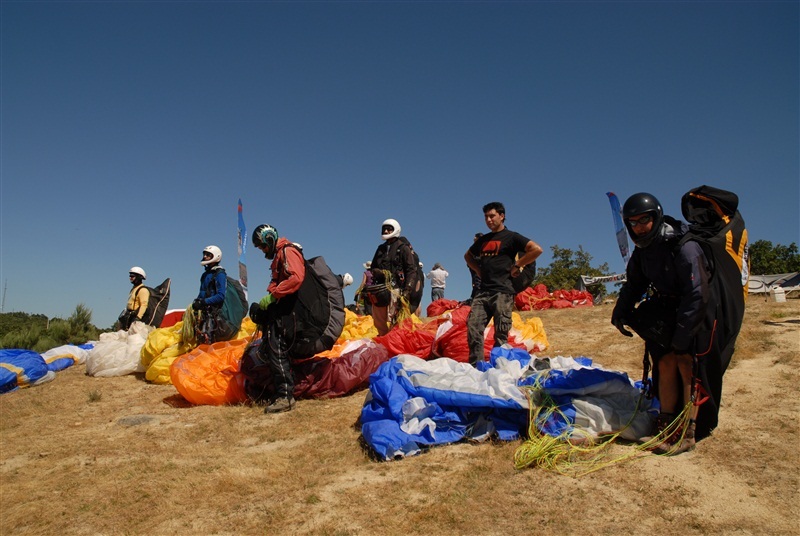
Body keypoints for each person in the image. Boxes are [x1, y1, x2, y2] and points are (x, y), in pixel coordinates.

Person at [611, 193, 711, 455]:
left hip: (693, 309)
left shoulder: (683, 246)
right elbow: (634, 283)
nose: (638, 227)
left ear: (656, 217)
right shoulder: (644, 251)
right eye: (632, 223)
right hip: (666, 310)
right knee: (664, 362)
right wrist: (620, 311)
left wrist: (684, 332)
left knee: (686, 363)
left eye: (644, 220)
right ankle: (665, 427)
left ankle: (687, 432)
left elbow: (698, 292)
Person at [465, 202, 543, 366]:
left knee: (501, 332)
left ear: (502, 216)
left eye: (492, 216)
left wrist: (518, 264)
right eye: (486, 217)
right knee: (473, 327)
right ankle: (476, 366)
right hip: (483, 292)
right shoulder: (483, 240)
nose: (488, 219)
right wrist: (478, 270)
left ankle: (499, 365)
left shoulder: (512, 237)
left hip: (503, 292)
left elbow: (536, 249)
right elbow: (468, 256)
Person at [248, 224, 306, 414]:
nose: (263, 250)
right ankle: (278, 390)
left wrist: (273, 297)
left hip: (291, 312)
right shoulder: (280, 255)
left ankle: (285, 396)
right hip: (285, 309)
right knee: (271, 345)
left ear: (269, 240)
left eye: (262, 246)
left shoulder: (288, 252)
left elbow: (296, 278)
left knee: (276, 347)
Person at [367, 218, 419, 336]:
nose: (385, 231)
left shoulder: (403, 248)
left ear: (396, 230)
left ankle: (393, 342)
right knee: (379, 320)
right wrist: (377, 272)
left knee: (394, 320)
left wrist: (407, 290)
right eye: (384, 229)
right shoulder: (380, 249)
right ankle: (384, 341)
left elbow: (411, 270)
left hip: (396, 290)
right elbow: (373, 267)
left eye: (389, 229)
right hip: (381, 290)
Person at [192, 245, 228, 344]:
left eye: (208, 255)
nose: (205, 256)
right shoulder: (205, 275)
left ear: (216, 256)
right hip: (204, 313)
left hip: (213, 315)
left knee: (207, 341)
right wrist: (197, 303)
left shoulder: (220, 274)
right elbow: (202, 292)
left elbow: (221, 296)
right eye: (204, 254)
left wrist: (204, 302)